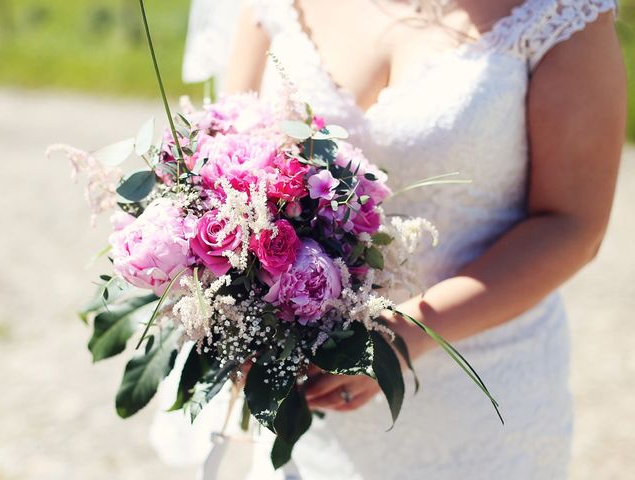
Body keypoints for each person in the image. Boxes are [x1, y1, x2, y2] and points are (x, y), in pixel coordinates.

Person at [185, 0, 626, 478]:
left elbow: (573, 224)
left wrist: (398, 337)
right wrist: (238, 320)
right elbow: (224, 166)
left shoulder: (558, 12)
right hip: (310, 405)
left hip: (479, 402)